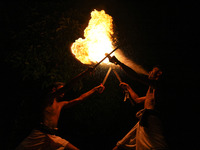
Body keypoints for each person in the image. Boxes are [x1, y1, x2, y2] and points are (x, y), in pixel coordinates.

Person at [16, 82, 105, 150]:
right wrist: (85, 72)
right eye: (61, 90)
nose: (64, 92)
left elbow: (79, 99)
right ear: (54, 89)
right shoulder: (48, 99)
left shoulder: (60, 104)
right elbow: (66, 87)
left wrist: (94, 89)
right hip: (39, 134)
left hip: (52, 136)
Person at [109, 56, 168, 149]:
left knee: (156, 146)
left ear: (159, 73)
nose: (149, 72)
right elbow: (137, 100)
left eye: (153, 70)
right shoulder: (151, 89)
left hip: (152, 121)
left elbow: (136, 77)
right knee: (122, 144)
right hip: (145, 120)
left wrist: (119, 63)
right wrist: (128, 87)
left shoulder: (159, 86)